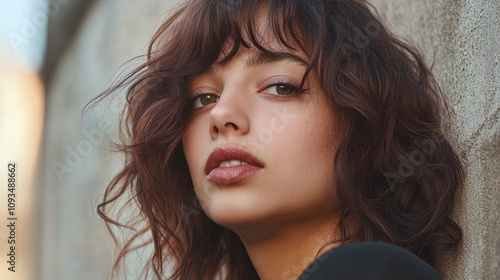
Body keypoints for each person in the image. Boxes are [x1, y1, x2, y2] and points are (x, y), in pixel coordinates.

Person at [89, 0, 464, 279]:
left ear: (362, 122)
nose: (220, 115)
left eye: (281, 87)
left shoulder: (368, 271)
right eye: (203, 97)